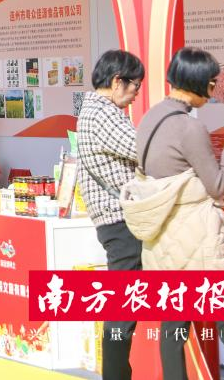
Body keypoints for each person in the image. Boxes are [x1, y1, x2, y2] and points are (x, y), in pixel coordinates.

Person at [126, 47, 224, 380]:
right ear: (197, 82)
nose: (214, 92)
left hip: (165, 240)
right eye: (213, 84)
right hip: (198, 239)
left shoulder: (150, 117)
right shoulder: (189, 127)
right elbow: (217, 185)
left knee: (173, 328)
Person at [76, 49, 145, 380]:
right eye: (135, 87)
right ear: (118, 82)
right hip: (120, 220)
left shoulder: (99, 111)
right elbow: (142, 148)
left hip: (118, 219)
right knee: (123, 307)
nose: (135, 95)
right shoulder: (102, 115)